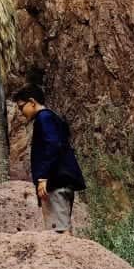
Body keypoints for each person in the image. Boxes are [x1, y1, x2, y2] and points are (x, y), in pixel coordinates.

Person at [13, 86, 86, 233]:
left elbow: (52, 145)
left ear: (32, 102)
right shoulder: (53, 118)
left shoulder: (44, 118)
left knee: (58, 231)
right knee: (61, 227)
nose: (21, 112)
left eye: (21, 107)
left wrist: (43, 177)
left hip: (55, 183)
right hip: (62, 181)